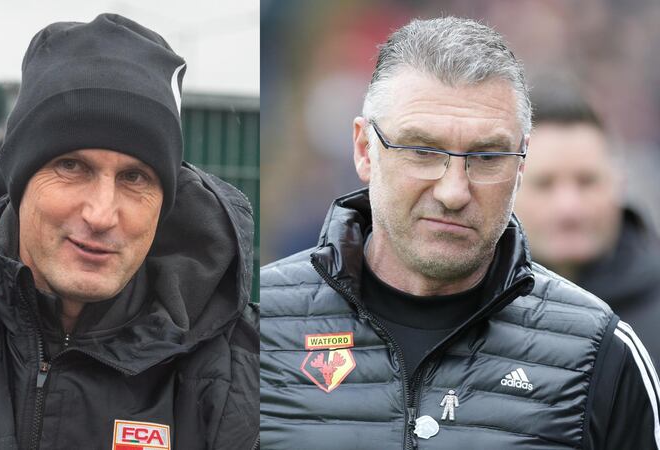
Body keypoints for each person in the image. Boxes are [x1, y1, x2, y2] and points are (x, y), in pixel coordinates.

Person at [0, 14, 258, 450]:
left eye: (135, 178)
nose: (102, 213)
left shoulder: (250, 367)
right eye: (71, 167)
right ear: (19, 179)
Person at [259, 17, 659, 450]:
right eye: (422, 151)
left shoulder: (600, 351)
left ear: (520, 166)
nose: (453, 191)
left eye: (487, 157)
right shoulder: (255, 325)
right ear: (364, 150)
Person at [515, 82, 660, 368]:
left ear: (620, 182)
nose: (569, 207)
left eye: (587, 181)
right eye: (545, 184)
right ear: (510, 189)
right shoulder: (471, 310)